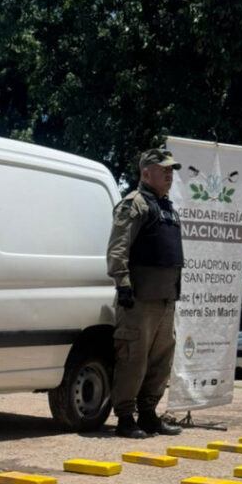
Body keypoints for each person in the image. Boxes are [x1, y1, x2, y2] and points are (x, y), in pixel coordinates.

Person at [107, 148, 184, 439]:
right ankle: (125, 418)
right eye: (163, 169)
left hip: (165, 300)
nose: (169, 174)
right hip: (138, 300)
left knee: (161, 360)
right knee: (133, 358)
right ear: (145, 172)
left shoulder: (168, 208)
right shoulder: (134, 204)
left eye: (171, 169)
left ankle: (149, 414)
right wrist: (123, 285)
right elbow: (118, 249)